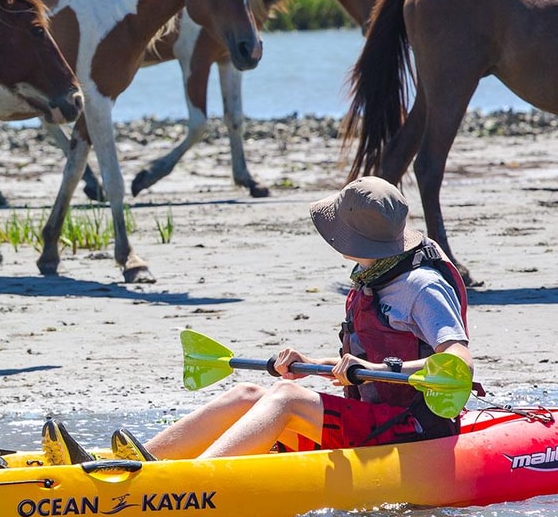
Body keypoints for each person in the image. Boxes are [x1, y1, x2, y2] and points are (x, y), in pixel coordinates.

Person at [110, 176, 473, 462]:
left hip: (412, 429)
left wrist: (387, 366)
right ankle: (139, 462)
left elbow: (458, 361)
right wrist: (314, 364)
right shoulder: (373, 275)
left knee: (285, 397)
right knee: (246, 393)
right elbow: (364, 363)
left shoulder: (422, 287)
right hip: (373, 417)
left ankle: (195, 480)